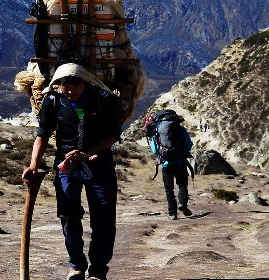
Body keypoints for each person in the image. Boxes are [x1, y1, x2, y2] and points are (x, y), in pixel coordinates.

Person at [22, 63, 121, 280]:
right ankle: (76, 266)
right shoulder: (53, 101)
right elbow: (43, 135)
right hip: (66, 167)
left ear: (84, 82)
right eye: (63, 85)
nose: (69, 90)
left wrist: (87, 153)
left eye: (73, 85)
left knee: (103, 216)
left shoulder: (103, 100)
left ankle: (98, 270)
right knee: (68, 214)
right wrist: (33, 164)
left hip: (99, 165)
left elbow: (113, 135)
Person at [145, 109, 194, 220]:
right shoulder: (180, 129)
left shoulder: (158, 131)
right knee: (182, 184)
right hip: (180, 162)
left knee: (169, 189)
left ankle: (172, 213)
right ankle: (182, 203)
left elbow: (154, 149)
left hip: (165, 163)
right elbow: (188, 144)